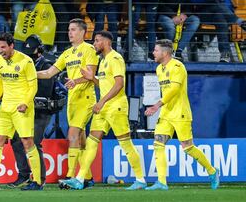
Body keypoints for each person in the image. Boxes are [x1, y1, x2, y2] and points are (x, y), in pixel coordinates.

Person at [59, 30, 147, 190]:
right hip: (103, 108)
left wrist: (101, 101)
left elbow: (119, 84)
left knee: (126, 144)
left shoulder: (115, 58)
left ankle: (140, 179)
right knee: (91, 143)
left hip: (116, 107)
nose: (94, 44)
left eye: (97, 41)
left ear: (106, 42)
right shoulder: (103, 61)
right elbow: (104, 84)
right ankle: (79, 179)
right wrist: (91, 78)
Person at [144, 39, 220, 190]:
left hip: (180, 113)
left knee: (187, 147)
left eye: (156, 50)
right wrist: (160, 108)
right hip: (166, 114)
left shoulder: (178, 67)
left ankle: (212, 171)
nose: (153, 52)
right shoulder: (159, 69)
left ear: (165, 53)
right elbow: (166, 91)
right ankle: (161, 182)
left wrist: (156, 105)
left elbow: (174, 90)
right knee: (158, 144)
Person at [0, 33, 43, 191]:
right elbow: (0, 85)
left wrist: (25, 103)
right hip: (5, 108)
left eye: (3, 47)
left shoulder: (26, 61)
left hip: (22, 108)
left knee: (27, 142)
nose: (0, 51)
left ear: (12, 46)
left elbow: (33, 87)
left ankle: (37, 181)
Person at [37, 18, 99, 188]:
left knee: (72, 135)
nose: (69, 33)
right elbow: (49, 73)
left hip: (86, 99)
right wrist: (31, 73)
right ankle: (87, 178)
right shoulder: (67, 53)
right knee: (81, 140)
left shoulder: (89, 50)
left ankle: (72, 176)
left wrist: (75, 82)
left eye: (73, 29)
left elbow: (91, 75)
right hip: (72, 100)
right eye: (69, 30)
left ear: (82, 32)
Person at [7, 34, 56, 188]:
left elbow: (45, 91)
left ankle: (39, 179)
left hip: (41, 110)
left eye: (31, 53)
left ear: (39, 51)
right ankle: (23, 175)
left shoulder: (46, 66)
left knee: (33, 142)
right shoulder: (24, 64)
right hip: (25, 109)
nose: (28, 56)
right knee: (16, 140)